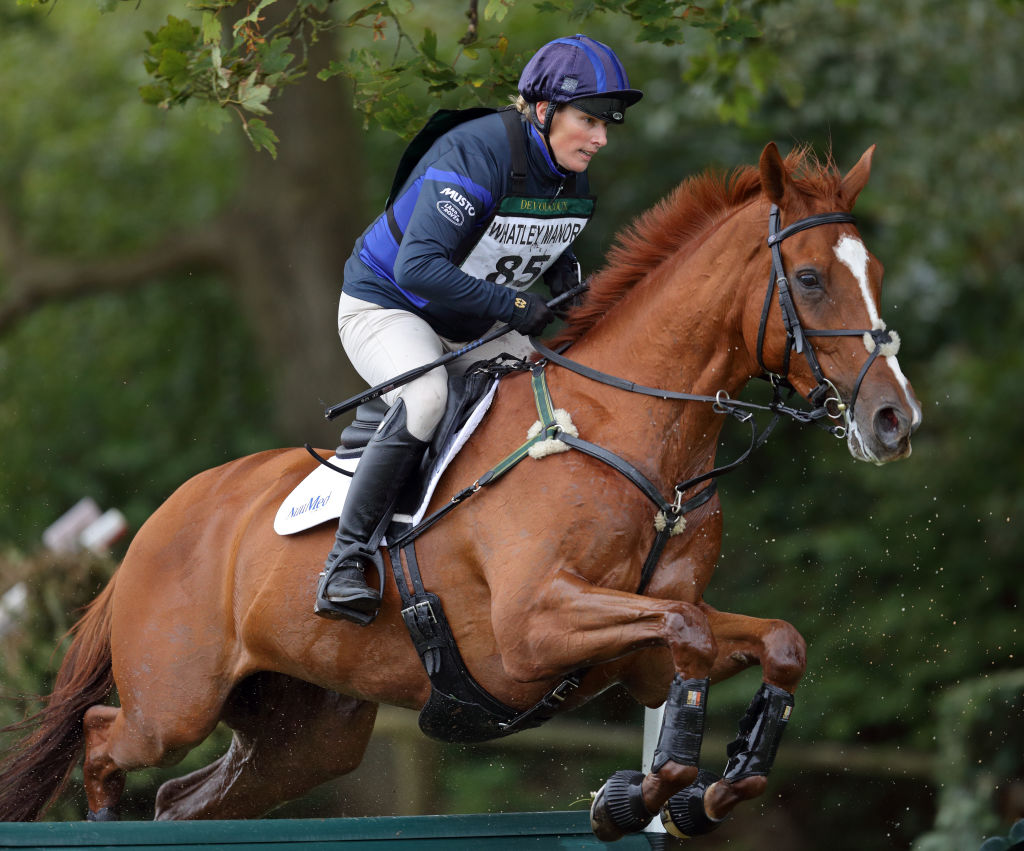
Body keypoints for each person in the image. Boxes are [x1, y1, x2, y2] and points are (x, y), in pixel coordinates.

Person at [316, 34, 644, 622]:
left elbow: (553, 267)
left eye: (605, 125)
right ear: (543, 110)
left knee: (551, 399)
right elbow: (419, 268)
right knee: (426, 396)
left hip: (471, 324)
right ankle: (344, 561)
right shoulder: (476, 154)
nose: (599, 138)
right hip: (387, 306)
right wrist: (518, 309)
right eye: (588, 120)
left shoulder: (569, 178)